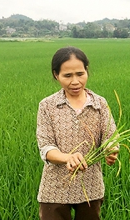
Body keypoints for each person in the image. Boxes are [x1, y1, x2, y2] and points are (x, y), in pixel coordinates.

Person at [36, 46, 119, 220]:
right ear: (55, 75)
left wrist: (111, 150)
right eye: (67, 76)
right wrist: (68, 157)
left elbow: (110, 137)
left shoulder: (99, 104)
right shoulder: (47, 106)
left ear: (87, 71)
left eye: (80, 74)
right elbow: (46, 147)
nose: (75, 81)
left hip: (90, 186)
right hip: (55, 187)